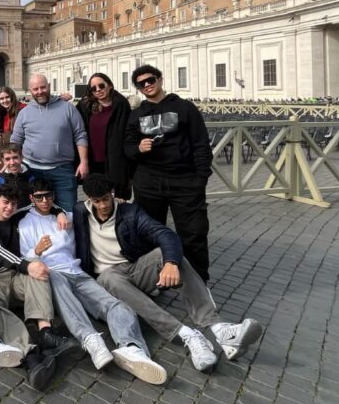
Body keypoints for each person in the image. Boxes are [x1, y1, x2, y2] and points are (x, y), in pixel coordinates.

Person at [74, 174, 263, 372]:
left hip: (134, 269)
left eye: (106, 198)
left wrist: (171, 263)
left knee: (168, 255)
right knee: (109, 277)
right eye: (97, 201)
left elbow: (164, 234)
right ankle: (187, 335)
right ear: (88, 199)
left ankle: (220, 329)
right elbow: (54, 210)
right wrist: (58, 213)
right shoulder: (80, 212)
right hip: (108, 279)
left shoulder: (130, 212)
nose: (103, 205)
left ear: (112, 194)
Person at [18, 178, 167, 384]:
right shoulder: (25, 223)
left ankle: (132, 347)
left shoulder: (68, 216)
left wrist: (118, 203)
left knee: (114, 305)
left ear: (54, 196)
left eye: (49, 196)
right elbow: (24, 259)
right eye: (39, 197)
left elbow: (93, 209)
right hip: (52, 273)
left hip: (77, 271)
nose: (45, 201)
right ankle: (91, 339)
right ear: (31, 198)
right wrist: (36, 251)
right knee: (66, 298)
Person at [0, 183, 77, 390]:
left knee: (38, 268)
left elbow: (43, 204)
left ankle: (46, 332)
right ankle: (30, 353)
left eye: (14, 204)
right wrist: (26, 265)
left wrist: (59, 212)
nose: (9, 208)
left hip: (19, 274)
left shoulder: (17, 214)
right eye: (5, 203)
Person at [124, 64, 213, 280]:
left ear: (160, 79)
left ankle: (198, 283)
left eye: (150, 80)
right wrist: (138, 148)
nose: (147, 85)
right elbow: (127, 147)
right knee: (148, 232)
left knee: (193, 233)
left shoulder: (184, 107)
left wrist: (200, 179)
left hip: (184, 180)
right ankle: (154, 279)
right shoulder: (136, 114)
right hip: (149, 182)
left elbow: (201, 144)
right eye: (141, 84)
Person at [10, 73, 89, 212]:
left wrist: (84, 161)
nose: (40, 91)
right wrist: (11, 163)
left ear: (49, 86)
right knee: (34, 213)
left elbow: (80, 134)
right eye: (36, 89)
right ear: (30, 91)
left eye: (43, 87)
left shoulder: (68, 108)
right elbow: (16, 141)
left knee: (68, 211)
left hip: (63, 170)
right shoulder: (24, 113)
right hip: (32, 170)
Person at [77, 73, 133, 200]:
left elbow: (129, 134)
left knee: (117, 200)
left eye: (101, 86)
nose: (98, 90)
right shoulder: (85, 106)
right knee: (96, 198)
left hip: (116, 162)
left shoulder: (121, 105)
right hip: (94, 162)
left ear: (110, 85)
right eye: (93, 88)